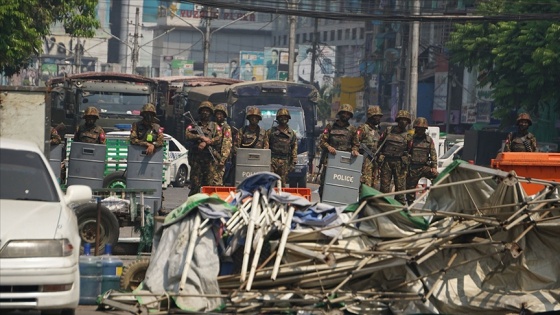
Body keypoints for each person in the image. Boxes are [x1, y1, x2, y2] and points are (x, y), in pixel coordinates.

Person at [317, 103, 360, 197]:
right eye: (344, 113)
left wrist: (354, 150)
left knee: (343, 186)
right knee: (325, 185)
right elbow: (322, 142)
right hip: (330, 160)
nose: (345, 115)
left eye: (348, 114)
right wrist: (329, 147)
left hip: (345, 162)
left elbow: (356, 144)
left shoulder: (352, 129)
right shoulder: (330, 126)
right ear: (340, 114)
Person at [185, 101, 222, 195]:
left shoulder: (215, 126)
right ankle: (192, 207)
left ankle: (206, 207)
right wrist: (200, 137)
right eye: (203, 110)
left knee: (209, 186)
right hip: (196, 159)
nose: (205, 113)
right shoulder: (193, 125)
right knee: (195, 185)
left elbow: (219, 138)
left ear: (210, 113)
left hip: (209, 160)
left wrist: (207, 142)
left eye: (207, 111)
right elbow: (187, 135)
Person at [376, 110, 412, 205]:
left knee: (400, 189)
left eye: (405, 120)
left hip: (400, 163)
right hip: (387, 161)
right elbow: (380, 144)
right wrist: (380, 155)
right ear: (398, 120)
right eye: (401, 120)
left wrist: (406, 158)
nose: (403, 122)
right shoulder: (389, 130)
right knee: (384, 188)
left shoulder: (408, 136)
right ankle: (382, 206)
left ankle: (399, 208)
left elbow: (410, 150)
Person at [405, 117, 438, 205]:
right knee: (410, 190)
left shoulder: (429, 140)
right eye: (419, 129)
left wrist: (434, 167)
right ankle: (410, 207)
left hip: (424, 167)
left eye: (423, 129)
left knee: (439, 179)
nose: (421, 131)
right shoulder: (410, 139)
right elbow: (405, 151)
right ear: (415, 128)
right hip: (413, 168)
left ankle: (437, 200)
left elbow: (433, 153)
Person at [264, 108, 298, 187]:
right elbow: (266, 147)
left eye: (285, 117)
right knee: (269, 182)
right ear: (278, 118)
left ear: (288, 118)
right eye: (281, 117)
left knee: (282, 184)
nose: (283, 119)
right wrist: (265, 160)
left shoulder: (291, 133)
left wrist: (293, 162)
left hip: (284, 162)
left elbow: (294, 148)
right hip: (272, 161)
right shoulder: (271, 132)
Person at [357, 105, 383, 189]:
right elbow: (356, 141)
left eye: (379, 117)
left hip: (375, 160)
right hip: (366, 160)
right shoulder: (363, 128)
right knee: (365, 183)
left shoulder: (377, 131)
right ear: (371, 117)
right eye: (376, 117)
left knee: (374, 185)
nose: (379, 119)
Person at [212, 103, 233, 186]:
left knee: (217, 181)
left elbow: (227, 143)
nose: (218, 116)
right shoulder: (212, 125)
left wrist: (223, 159)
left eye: (221, 114)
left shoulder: (225, 127)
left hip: (218, 157)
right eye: (217, 114)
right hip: (210, 158)